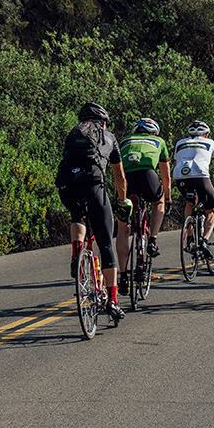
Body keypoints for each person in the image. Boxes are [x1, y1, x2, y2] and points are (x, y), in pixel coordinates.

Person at [54, 101, 130, 323]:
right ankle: (113, 300)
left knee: (78, 216)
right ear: (103, 122)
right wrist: (122, 201)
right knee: (106, 243)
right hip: (94, 186)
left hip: (68, 186)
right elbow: (120, 177)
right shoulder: (109, 137)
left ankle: (77, 252)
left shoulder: (74, 134)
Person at [114, 117, 171, 300]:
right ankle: (152, 240)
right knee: (158, 202)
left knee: (123, 228)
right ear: (154, 132)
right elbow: (166, 176)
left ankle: (123, 277)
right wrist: (167, 198)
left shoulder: (124, 141)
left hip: (126, 180)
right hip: (147, 176)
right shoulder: (159, 141)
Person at [173, 120, 214, 261]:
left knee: (190, 202)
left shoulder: (180, 143)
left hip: (180, 176)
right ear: (206, 134)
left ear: (188, 134)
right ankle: (204, 241)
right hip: (200, 176)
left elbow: (176, 163)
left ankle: (190, 235)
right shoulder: (210, 142)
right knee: (212, 210)